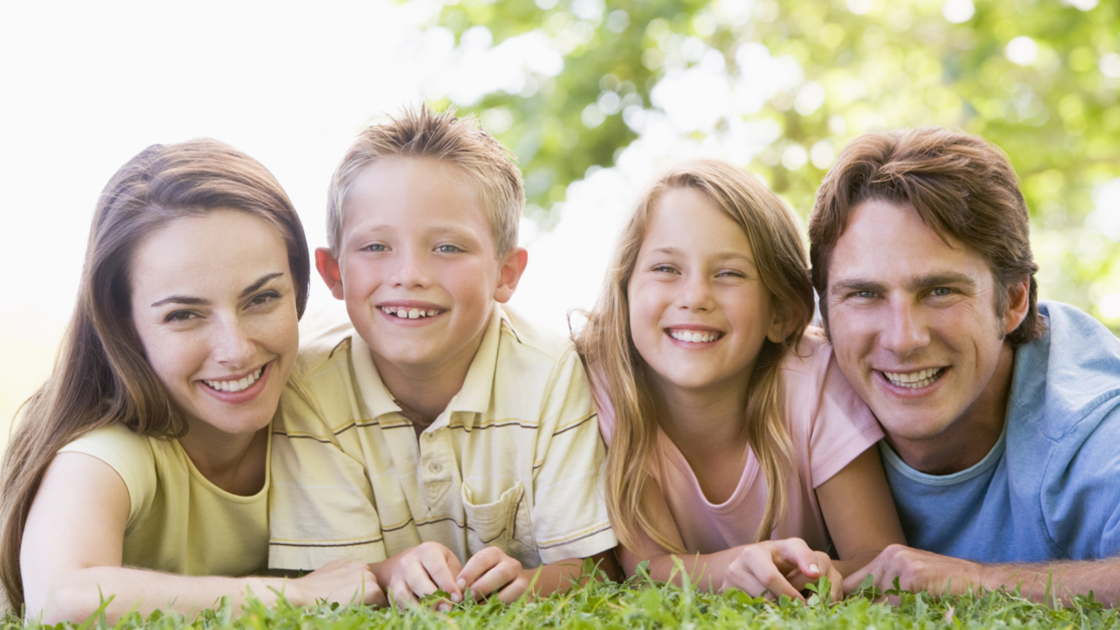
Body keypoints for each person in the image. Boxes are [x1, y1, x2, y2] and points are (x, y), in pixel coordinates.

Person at [0, 139, 384, 622]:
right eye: (184, 314)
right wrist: (301, 595)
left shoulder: (328, 397)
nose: (237, 349)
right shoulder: (109, 453)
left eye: (262, 298)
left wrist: (397, 572)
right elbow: (61, 599)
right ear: (125, 324)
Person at [267, 106, 617, 607]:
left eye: (449, 248)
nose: (409, 274)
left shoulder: (551, 373)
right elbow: (329, 578)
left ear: (506, 273)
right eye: (376, 246)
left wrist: (531, 583)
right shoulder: (309, 386)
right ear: (333, 272)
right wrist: (392, 573)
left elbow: (595, 564)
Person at [808, 127, 1120, 605]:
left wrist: (978, 580)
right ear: (824, 314)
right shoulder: (789, 385)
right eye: (865, 294)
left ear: (1014, 301)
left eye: (939, 291)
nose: (902, 339)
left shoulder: (1088, 425)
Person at [574, 159, 904, 602]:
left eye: (729, 273)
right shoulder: (609, 391)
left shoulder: (814, 382)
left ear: (780, 313)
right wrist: (738, 568)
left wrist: (821, 571)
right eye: (666, 269)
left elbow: (881, 558)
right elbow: (647, 569)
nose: (694, 298)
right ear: (626, 290)